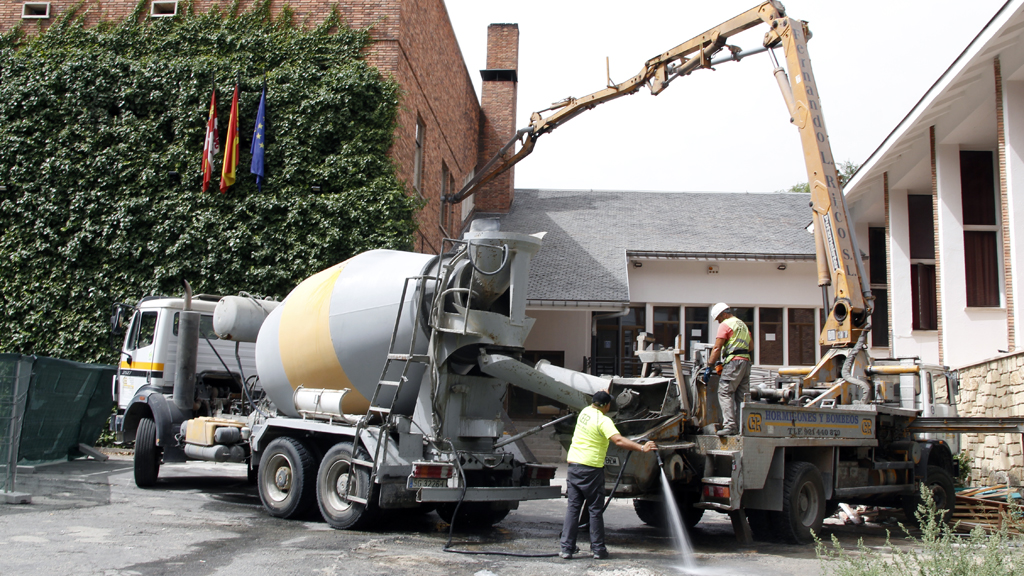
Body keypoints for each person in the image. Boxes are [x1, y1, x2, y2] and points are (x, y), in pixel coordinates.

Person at [560, 390, 657, 560]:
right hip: (591, 469)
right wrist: (642, 448)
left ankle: (567, 549)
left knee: (573, 508)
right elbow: (618, 440)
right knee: (595, 510)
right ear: (606, 406)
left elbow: (597, 403)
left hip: (574, 466)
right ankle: (598, 550)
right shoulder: (603, 421)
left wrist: (603, 393)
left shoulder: (585, 412)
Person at [706, 302, 752, 436]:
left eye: (719, 318)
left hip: (734, 363)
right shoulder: (742, 325)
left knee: (724, 392)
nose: (718, 321)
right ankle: (743, 428)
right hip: (746, 362)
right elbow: (751, 346)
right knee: (741, 396)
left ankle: (730, 426)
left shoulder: (725, 325)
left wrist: (709, 366)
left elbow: (716, 348)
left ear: (724, 314)